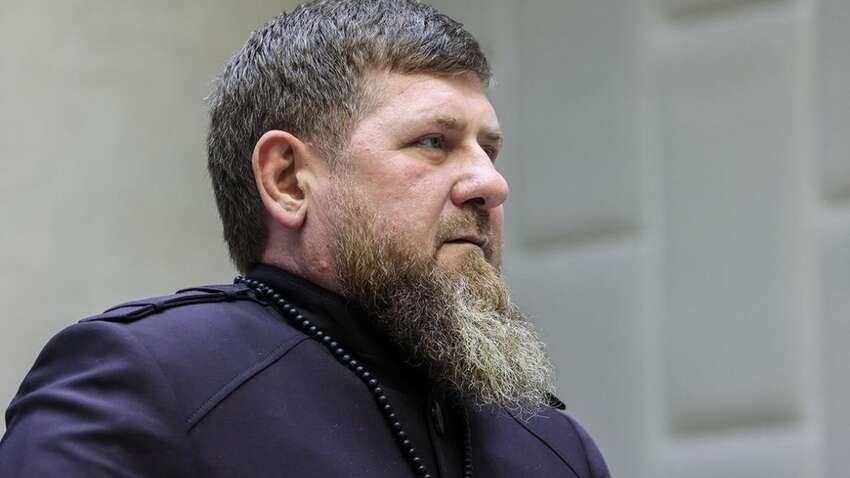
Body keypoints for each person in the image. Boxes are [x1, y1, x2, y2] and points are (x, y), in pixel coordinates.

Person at [0, 1, 611, 476]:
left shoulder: (554, 447)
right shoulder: (150, 382)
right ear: (289, 180)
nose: (491, 184)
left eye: (489, 150)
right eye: (434, 142)